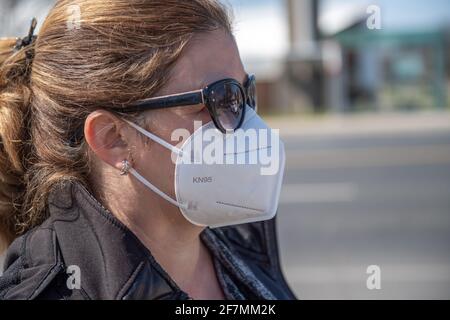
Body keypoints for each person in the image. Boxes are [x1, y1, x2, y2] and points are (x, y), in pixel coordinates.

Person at [0, 0, 295, 300]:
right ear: (112, 138)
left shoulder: (237, 235)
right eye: (219, 99)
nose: (248, 124)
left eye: (244, 94)